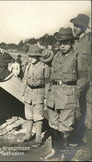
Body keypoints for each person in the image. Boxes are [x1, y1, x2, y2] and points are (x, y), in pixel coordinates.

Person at [44, 27, 85, 160]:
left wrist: (75, 94)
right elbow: (50, 76)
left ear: (72, 43)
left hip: (68, 96)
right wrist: (48, 92)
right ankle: (56, 151)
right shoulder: (56, 56)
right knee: (53, 125)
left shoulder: (77, 57)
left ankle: (66, 155)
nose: (62, 46)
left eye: (65, 42)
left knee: (65, 127)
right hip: (54, 96)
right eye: (60, 43)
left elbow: (83, 79)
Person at [21, 44, 50, 148]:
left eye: (33, 56)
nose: (31, 58)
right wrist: (22, 93)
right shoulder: (28, 66)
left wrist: (46, 97)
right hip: (28, 94)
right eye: (30, 56)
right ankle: (27, 135)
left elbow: (47, 83)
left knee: (38, 118)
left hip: (39, 94)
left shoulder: (44, 67)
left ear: (38, 57)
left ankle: (38, 139)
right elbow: (24, 80)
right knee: (28, 116)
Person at [69, 13, 91, 145]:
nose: (74, 28)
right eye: (73, 25)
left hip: (87, 83)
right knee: (79, 112)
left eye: (77, 26)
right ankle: (81, 141)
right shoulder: (76, 43)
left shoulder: (89, 41)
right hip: (77, 83)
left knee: (89, 116)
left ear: (83, 27)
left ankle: (89, 147)